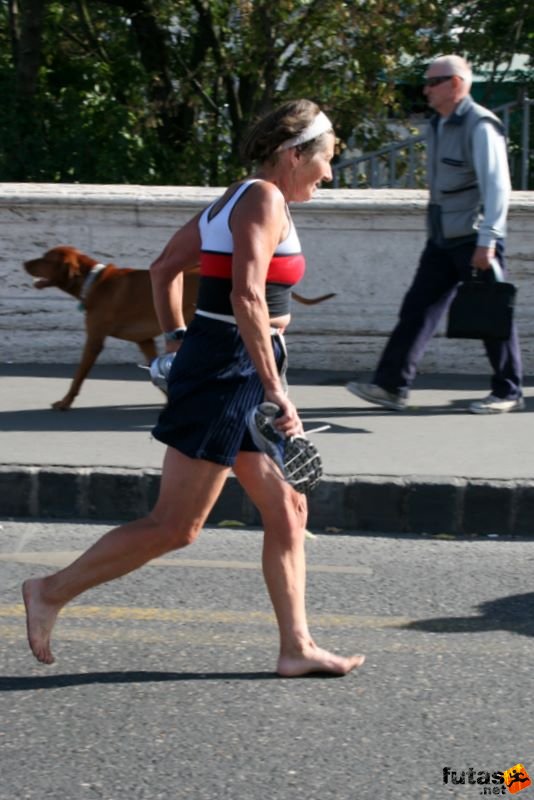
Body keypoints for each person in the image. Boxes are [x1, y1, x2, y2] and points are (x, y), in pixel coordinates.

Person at [22, 99, 365, 677]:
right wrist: (275, 386)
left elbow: (163, 269)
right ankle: (49, 590)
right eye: (326, 159)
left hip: (229, 361)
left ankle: (296, 647)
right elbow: (246, 297)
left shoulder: (235, 195)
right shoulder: (262, 198)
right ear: (294, 153)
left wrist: (177, 339)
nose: (329, 174)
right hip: (232, 368)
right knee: (176, 526)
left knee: (288, 508)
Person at [347, 55, 523, 414]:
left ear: (456, 83)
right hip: (443, 238)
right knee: (417, 309)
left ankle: (509, 391)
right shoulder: (440, 124)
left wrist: (488, 239)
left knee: (491, 314)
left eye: (433, 82)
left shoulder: (480, 125)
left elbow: (497, 188)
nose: (425, 90)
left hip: (475, 238)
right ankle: (391, 386)